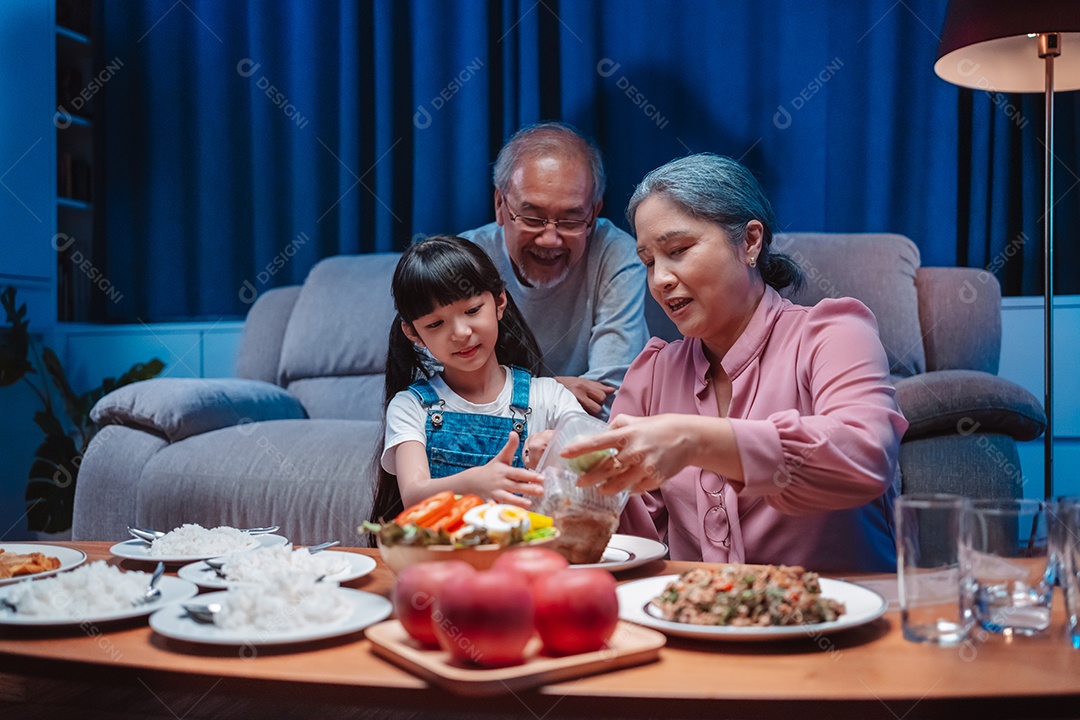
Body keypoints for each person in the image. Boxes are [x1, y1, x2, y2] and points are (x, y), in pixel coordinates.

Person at [561, 154, 908, 572]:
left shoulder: (833, 336)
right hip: (695, 624)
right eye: (649, 262)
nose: (660, 279)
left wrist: (696, 439)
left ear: (750, 242)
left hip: (844, 622)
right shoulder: (652, 373)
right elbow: (634, 542)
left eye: (678, 250)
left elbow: (866, 457)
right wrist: (574, 476)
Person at [370, 235, 585, 523]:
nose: (460, 333)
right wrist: (476, 484)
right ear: (414, 334)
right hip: (445, 560)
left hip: (528, 559)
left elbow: (596, 459)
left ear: (499, 302)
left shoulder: (549, 397)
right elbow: (414, 494)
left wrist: (556, 450)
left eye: (472, 311)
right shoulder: (411, 406)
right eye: (435, 324)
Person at [461, 122, 649, 418]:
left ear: (595, 213)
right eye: (532, 217)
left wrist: (507, 399)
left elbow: (609, 397)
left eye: (571, 220)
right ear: (500, 205)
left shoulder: (617, 254)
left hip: (582, 442)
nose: (550, 239)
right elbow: (448, 395)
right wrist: (550, 390)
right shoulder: (465, 260)